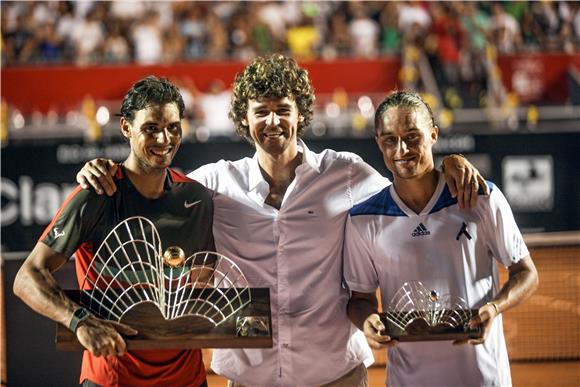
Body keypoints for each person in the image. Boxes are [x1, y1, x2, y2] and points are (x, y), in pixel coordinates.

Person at [75, 54, 485, 387]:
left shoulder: (344, 173)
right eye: (261, 111)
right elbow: (149, 182)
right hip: (251, 377)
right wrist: (104, 170)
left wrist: (449, 161)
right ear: (244, 119)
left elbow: (408, 181)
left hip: (335, 374)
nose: (273, 121)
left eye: (282, 110)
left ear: (300, 114)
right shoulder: (214, 183)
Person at [13, 76, 214, 387]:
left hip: (186, 379)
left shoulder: (197, 199)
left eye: (173, 127)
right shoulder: (97, 194)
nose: (164, 139)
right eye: (151, 128)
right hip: (111, 378)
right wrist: (78, 320)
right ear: (126, 129)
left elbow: (201, 285)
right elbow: (27, 277)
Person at [344, 91, 539, 386]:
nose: (401, 149)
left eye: (412, 136)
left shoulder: (481, 198)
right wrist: (367, 321)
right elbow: (360, 299)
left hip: (483, 378)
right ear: (378, 143)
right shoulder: (362, 219)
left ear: (433, 135)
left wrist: (495, 307)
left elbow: (526, 273)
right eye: (389, 139)